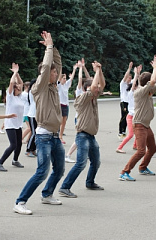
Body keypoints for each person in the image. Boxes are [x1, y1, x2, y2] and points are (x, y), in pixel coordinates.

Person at [13, 31, 65, 215]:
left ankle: (47, 194)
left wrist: (53, 47)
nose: (56, 72)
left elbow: (56, 63)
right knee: (42, 171)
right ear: (45, 73)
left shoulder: (53, 86)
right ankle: (20, 202)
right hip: (43, 137)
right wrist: (48, 49)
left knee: (59, 169)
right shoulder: (39, 88)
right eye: (53, 71)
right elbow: (47, 67)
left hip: (54, 136)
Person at [58, 60, 105, 198]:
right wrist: (96, 72)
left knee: (96, 161)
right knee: (81, 163)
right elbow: (94, 86)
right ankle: (64, 187)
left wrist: (99, 70)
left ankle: (90, 182)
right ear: (87, 89)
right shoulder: (83, 98)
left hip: (90, 136)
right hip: (82, 135)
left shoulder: (93, 98)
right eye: (94, 88)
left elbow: (101, 84)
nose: (98, 90)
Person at [119, 55, 156, 181]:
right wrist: (154, 67)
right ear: (148, 82)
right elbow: (153, 81)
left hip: (146, 125)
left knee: (153, 149)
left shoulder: (148, 91)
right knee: (141, 151)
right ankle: (124, 172)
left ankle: (143, 168)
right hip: (139, 124)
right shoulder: (140, 92)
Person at [0, 63, 24, 172]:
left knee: (19, 143)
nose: (20, 87)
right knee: (13, 145)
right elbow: (12, 83)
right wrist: (14, 73)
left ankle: (15, 160)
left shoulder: (19, 96)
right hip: (10, 125)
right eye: (18, 87)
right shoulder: (10, 96)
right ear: (14, 89)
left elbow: (20, 83)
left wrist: (17, 74)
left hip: (18, 124)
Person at [116, 65, 142, 154]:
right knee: (131, 134)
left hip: (135, 116)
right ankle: (119, 147)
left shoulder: (137, 93)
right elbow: (134, 84)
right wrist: (135, 74)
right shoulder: (130, 93)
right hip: (131, 116)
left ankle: (135, 145)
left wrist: (138, 74)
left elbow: (139, 85)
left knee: (137, 132)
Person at [57, 64, 77, 144]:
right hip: (60, 105)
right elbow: (59, 77)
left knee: (64, 122)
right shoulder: (59, 85)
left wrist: (74, 69)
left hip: (66, 105)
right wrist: (60, 68)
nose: (65, 80)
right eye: (64, 78)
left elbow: (71, 78)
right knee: (59, 121)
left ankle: (60, 136)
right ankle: (57, 135)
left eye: (65, 78)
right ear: (61, 79)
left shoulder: (66, 85)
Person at [118, 62, 133, 140]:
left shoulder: (131, 84)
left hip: (129, 103)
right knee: (124, 117)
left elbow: (137, 79)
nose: (129, 79)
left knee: (128, 117)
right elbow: (125, 76)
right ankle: (121, 132)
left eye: (130, 78)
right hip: (124, 102)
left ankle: (124, 131)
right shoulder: (123, 84)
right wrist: (129, 68)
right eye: (128, 78)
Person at [25, 79, 37, 157]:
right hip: (32, 114)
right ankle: (28, 150)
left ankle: (33, 149)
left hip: (37, 114)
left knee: (37, 133)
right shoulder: (32, 91)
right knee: (33, 132)